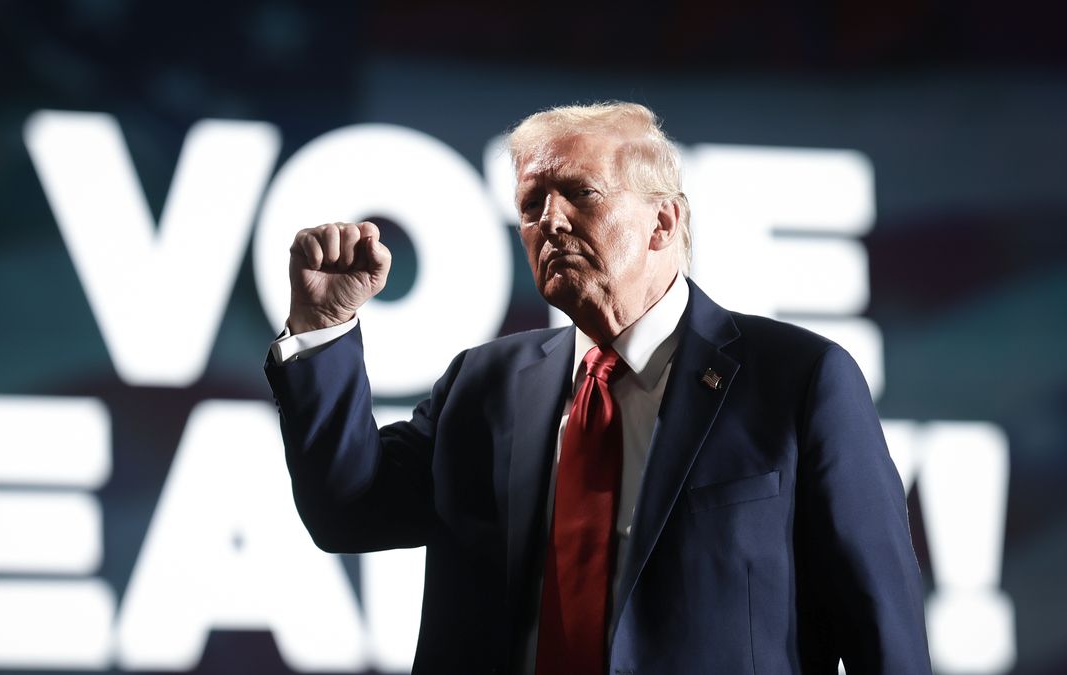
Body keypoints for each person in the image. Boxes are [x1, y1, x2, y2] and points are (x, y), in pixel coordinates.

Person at [264, 102, 932, 674]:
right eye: (531, 205)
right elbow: (348, 510)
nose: (549, 221)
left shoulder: (798, 380)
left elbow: (882, 631)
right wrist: (323, 329)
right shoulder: (483, 386)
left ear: (664, 223)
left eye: (579, 193)